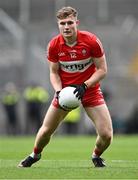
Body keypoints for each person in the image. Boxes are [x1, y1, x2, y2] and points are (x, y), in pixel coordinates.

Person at [18, 6, 113, 168]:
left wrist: (85, 85)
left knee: (106, 135)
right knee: (46, 130)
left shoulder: (91, 41)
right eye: (62, 23)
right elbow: (53, 73)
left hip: (89, 91)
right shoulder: (54, 45)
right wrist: (58, 91)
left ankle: (96, 155)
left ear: (77, 23)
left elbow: (102, 70)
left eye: (70, 23)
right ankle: (35, 154)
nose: (66, 27)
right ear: (58, 25)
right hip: (65, 93)